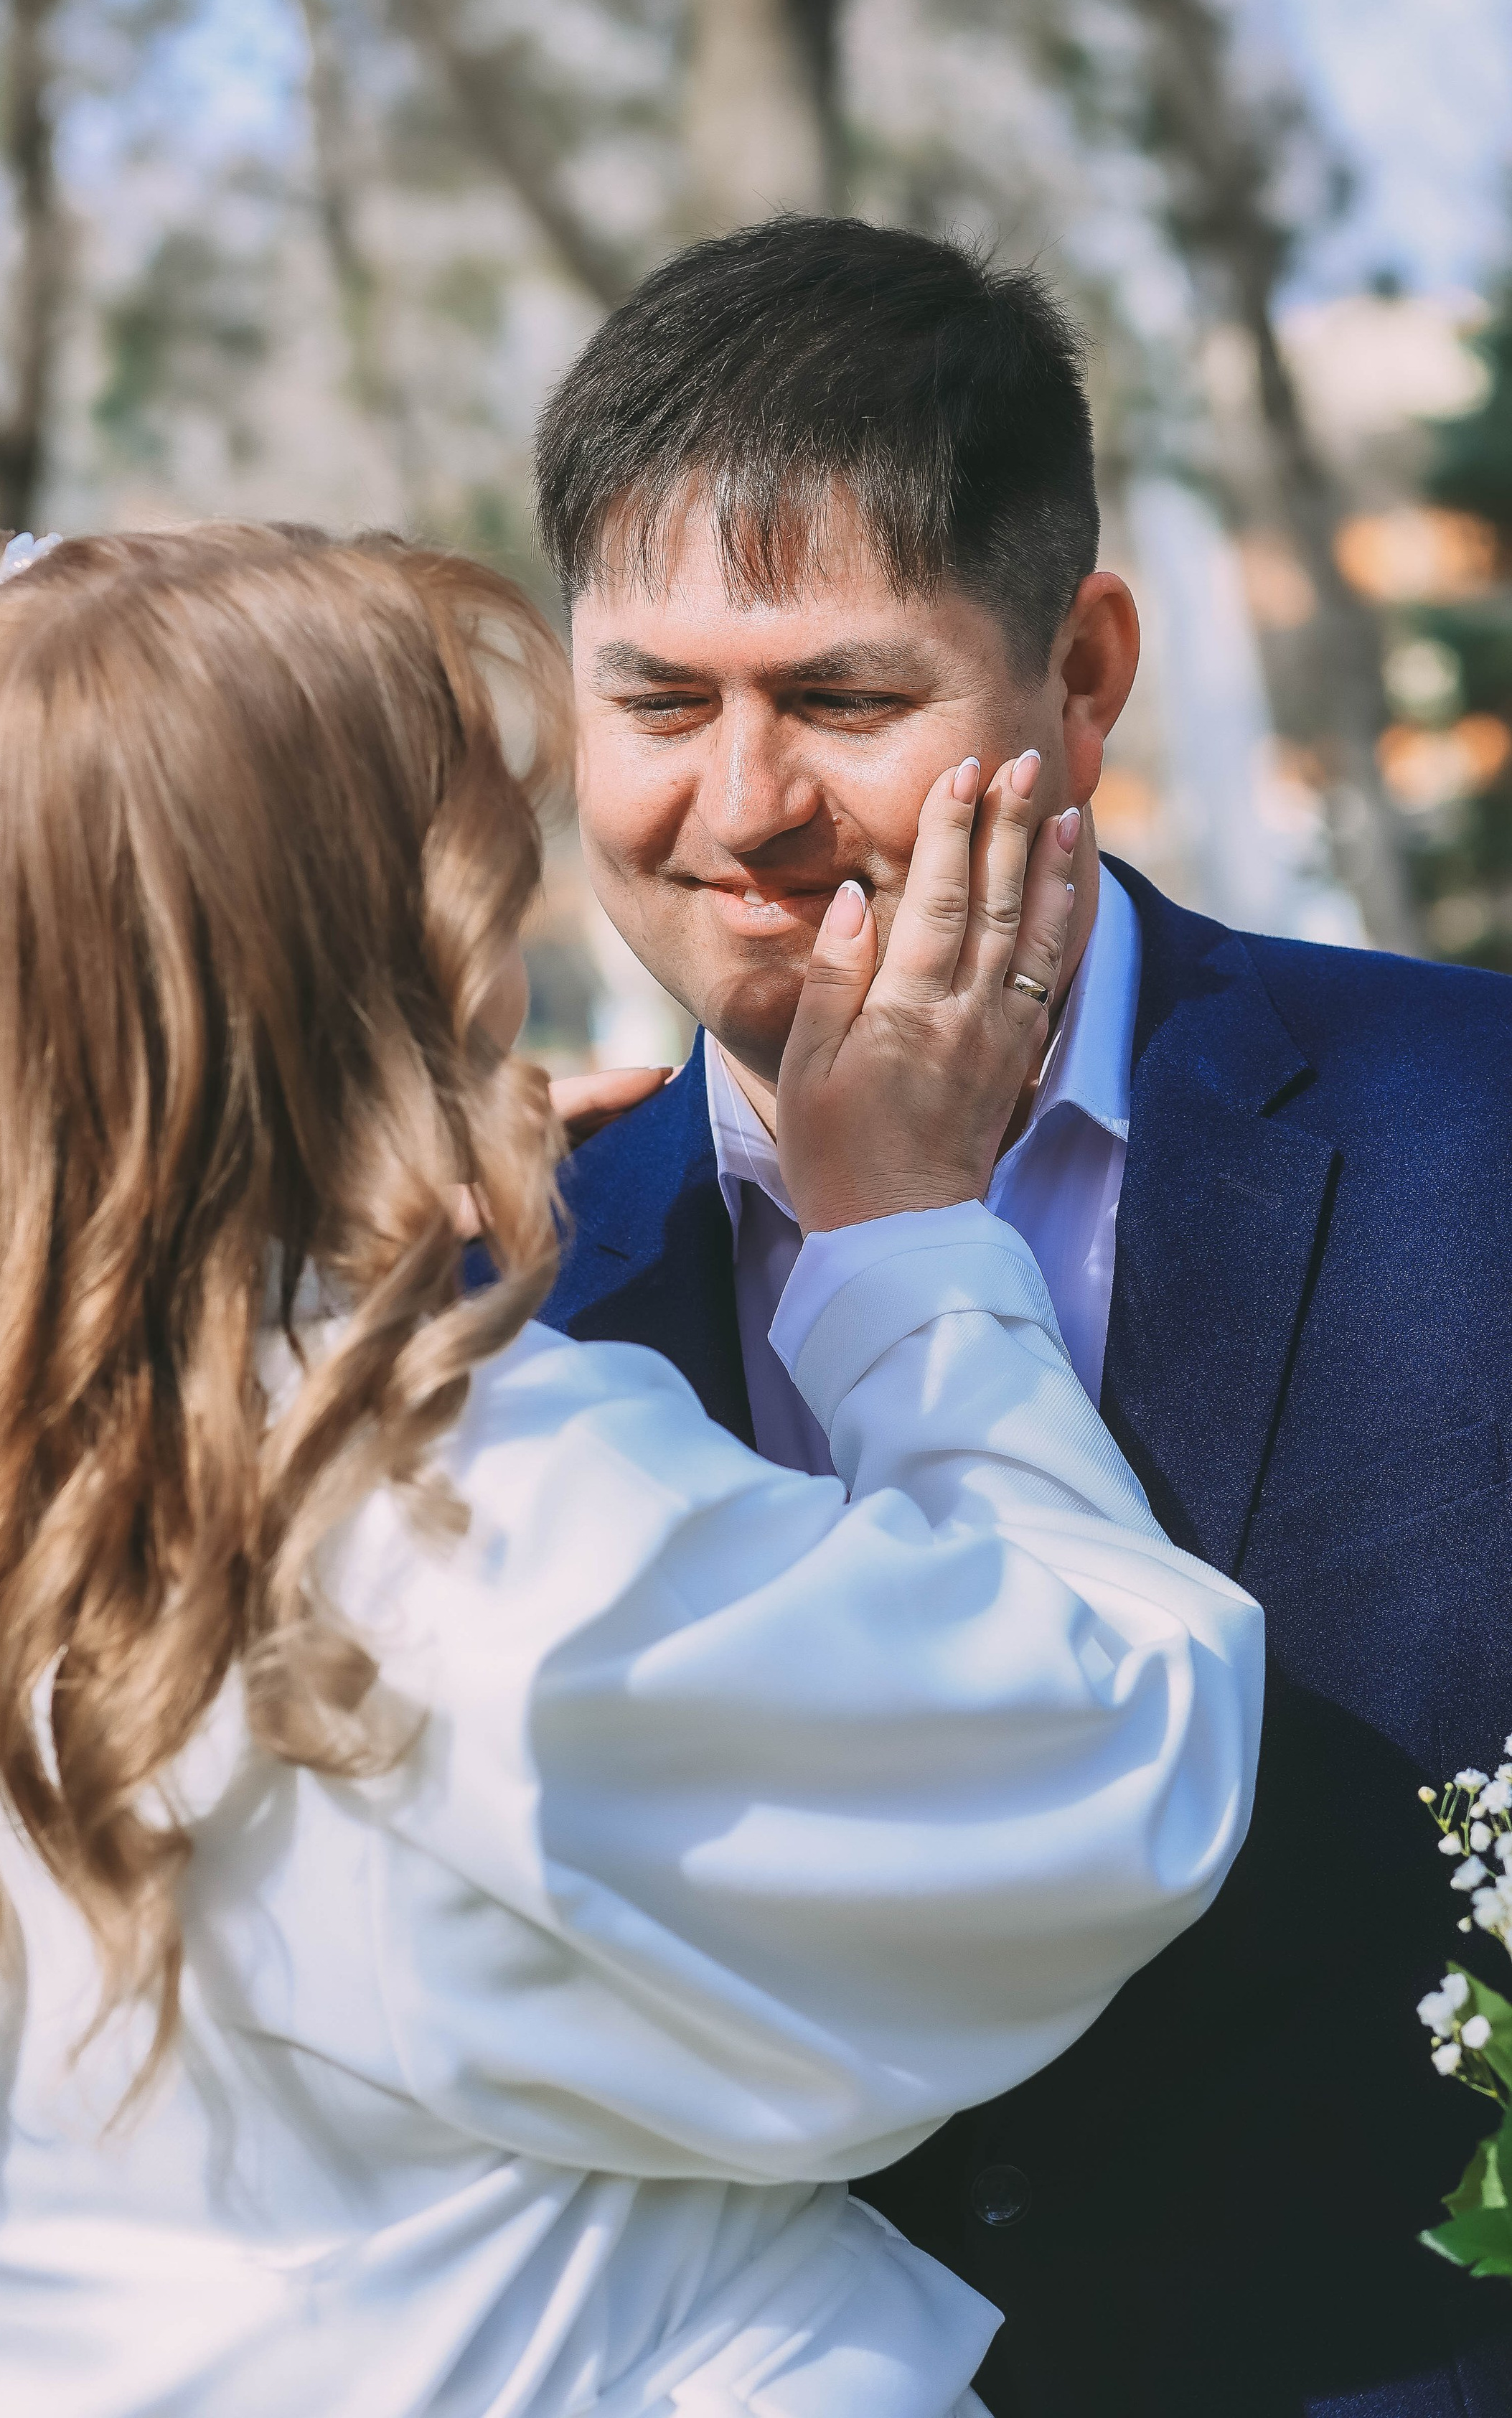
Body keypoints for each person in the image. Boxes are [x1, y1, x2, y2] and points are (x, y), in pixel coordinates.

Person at [0, 523, 1259, 2418]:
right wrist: (904, 1251)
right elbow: (1105, 1748)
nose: (502, 972)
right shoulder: (453, 1532)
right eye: (467, 906)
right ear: (336, 970)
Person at [520, 217, 1512, 2418]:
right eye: (659, 700)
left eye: (845, 700)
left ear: (1080, 673)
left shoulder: (1480, 1134)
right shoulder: (498, 1290)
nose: (745, 805)